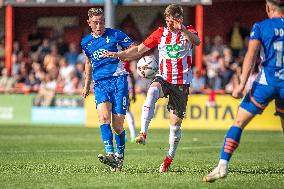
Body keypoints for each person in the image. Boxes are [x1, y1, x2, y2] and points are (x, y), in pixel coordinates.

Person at [105, 4, 200, 172]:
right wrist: (120, 55)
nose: (170, 24)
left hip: (181, 83)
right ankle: (143, 133)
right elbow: (139, 50)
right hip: (163, 77)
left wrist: (183, 29)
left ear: (180, 19)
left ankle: (168, 160)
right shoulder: (160, 33)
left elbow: (197, 42)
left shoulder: (189, 31)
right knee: (152, 90)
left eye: (173, 21)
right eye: (167, 20)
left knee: (175, 126)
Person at [203, 0, 284, 182]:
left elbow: (251, 55)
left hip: (267, 83)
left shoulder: (261, 27)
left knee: (239, 122)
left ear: (268, 8)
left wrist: (240, 85)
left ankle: (222, 165)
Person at [81, 8, 134, 172]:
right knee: (103, 118)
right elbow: (88, 63)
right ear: (89, 23)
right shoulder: (86, 42)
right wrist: (86, 84)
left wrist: (118, 55)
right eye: (95, 23)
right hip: (100, 84)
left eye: (102, 22)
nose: (99, 26)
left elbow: (135, 49)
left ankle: (120, 157)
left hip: (119, 81)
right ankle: (110, 155)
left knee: (118, 126)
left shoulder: (116, 35)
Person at [124, 61, 137, 142]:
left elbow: (131, 79)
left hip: (123, 92)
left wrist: (133, 93)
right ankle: (127, 135)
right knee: (120, 113)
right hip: (119, 91)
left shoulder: (126, 69)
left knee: (125, 112)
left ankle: (132, 135)